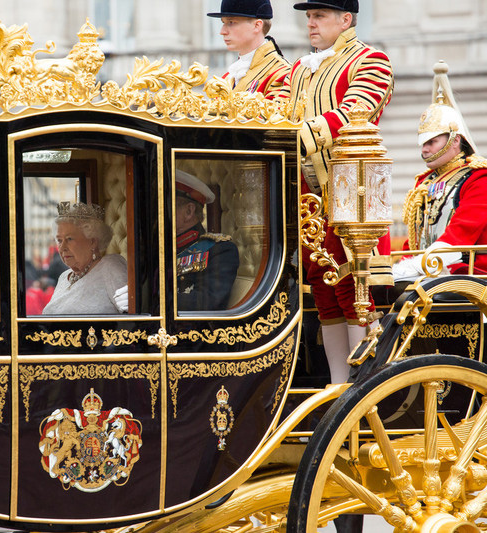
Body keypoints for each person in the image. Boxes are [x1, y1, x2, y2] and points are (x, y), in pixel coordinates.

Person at [278, 0, 394, 384]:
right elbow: (280, 114)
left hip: (352, 191)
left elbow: (351, 114)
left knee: (353, 290)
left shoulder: (370, 60)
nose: (310, 24)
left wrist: (290, 139)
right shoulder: (299, 69)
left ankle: (366, 387)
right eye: (308, 17)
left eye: (319, 16)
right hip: (310, 199)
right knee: (323, 291)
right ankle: (339, 386)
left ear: (346, 20)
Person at [395, 61, 487, 282]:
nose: (424, 149)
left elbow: (461, 234)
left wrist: (416, 266)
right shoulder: (425, 182)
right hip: (429, 271)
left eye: (432, 142)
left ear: (455, 141)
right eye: (423, 143)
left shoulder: (478, 178)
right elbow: (415, 240)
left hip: (470, 274)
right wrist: (405, 266)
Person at [41, 202, 127, 315]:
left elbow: (130, 318)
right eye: (59, 240)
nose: (62, 248)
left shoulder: (110, 266)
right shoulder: (64, 277)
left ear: (92, 241)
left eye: (70, 239)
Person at [175, 170, 239, 311]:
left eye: (165, 206)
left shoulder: (220, 250)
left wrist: (158, 300)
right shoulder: (162, 248)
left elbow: (208, 302)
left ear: (189, 211)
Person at [207, 0, 291, 99]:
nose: (222, 31)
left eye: (231, 22)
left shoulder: (281, 73)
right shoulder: (227, 77)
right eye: (223, 23)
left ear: (257, 25)